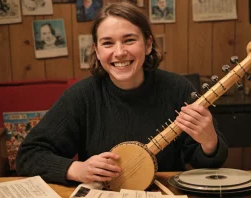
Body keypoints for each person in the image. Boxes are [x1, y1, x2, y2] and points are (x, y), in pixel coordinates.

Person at [16, 2, 228, 186]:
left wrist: (210, 142)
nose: (119, 52)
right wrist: (77, 169)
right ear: (97, 52)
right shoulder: (81, 96)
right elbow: (28, 156)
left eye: (129, 40)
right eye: (107, 43)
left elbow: (208, 164)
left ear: (148, 44)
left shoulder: (177, 88)